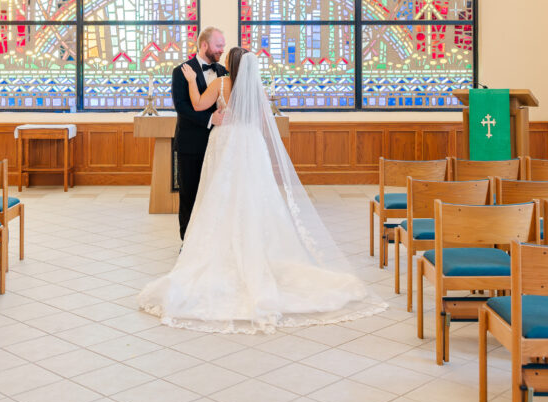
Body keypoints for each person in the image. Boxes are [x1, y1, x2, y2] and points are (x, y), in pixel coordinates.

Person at [140, 48, 385, 333]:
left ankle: (222, 245)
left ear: (229, 63)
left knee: (221, 195)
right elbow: (258, 120)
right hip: (250, 142)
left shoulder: (220, 83)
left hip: (227, 140)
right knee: (254, 195)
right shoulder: (256, 89)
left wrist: (194, 81)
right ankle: (256, 243)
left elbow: (196, 105)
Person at [170, 26, 227, 240]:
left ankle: (209, 241)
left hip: (218, 144)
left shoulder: (222, 71)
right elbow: (182, 106)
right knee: (189, 195)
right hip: (191, 145)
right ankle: (187, 241)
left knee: (213, 194)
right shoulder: (181, 71)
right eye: (218, 45)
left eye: (223, 45)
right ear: (204, 45)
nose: (222, 49)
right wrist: (211, 119)